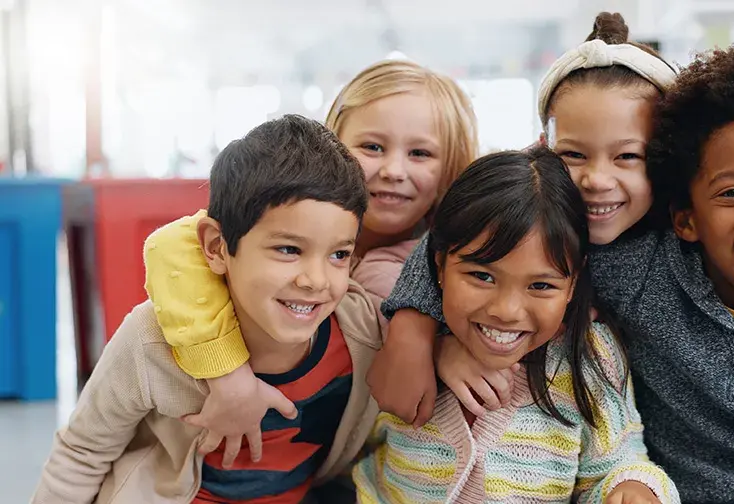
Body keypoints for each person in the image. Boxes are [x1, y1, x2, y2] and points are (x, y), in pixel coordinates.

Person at [380, 44, 734, 502]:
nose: (597, 179)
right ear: (686, 214)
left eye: (628, 155)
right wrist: (415, 330)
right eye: (733, 192)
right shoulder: (628, 263)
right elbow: (480, 227)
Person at [139, 59, 479, 464]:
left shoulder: (448, 259)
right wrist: (227, 373)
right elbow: (173, 245)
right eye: (372, 147)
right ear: (333, 145)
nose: (393, 170)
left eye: (420, 153)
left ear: (451, 168)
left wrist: (435, 345)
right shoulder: (274, 217)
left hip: (353, 465)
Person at [32, 114, 382, 504]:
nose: (316, 280)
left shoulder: (362, 334)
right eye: (288, 249)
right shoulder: (150, 341)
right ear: (216, 247)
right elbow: (82, 453)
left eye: (339, 254)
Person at [353, 148, 679, 503]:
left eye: (541, 285)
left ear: (573, 284)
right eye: (481, 276)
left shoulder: (592, 357)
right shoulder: (404, 343)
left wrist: (631, 488)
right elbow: (357, 447)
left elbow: (619, 462)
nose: (506, 311)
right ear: (440, 265)